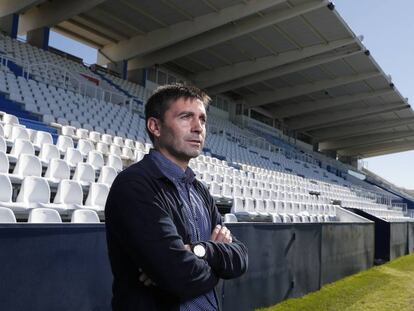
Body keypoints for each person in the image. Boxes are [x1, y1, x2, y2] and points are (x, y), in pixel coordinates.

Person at [105, 84, 248, 311]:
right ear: (155, 126)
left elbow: (240, 257)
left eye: (202, 119)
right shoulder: (135, 185)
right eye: (186, 117)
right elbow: (177, 275)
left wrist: (200, 250)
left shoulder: (199, 190)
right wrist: (217, 266)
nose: (198, 127)